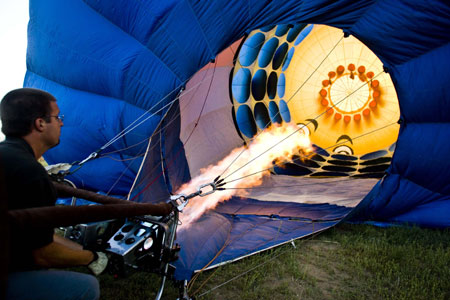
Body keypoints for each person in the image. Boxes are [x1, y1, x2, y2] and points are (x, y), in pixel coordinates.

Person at [0, 88, 104, 300]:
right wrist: (90, 257)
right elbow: (42, 254)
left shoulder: (8, 157)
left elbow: (35, 236)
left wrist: (78, 248)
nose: (62, 124)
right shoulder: (30, 174)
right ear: (40, 123)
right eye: (58, 117)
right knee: (86, 287)